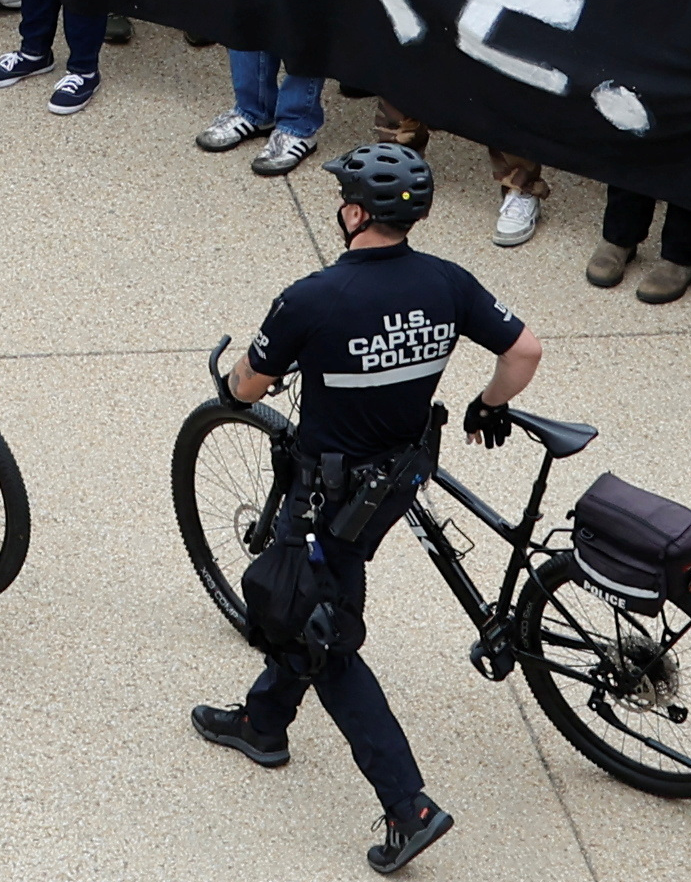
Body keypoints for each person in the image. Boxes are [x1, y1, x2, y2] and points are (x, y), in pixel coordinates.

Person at [189, 138, 525, 872]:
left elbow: (247, 386)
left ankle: (409, 806)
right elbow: (524, 350)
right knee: (314, 596)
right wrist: (487, 403)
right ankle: (264, 722)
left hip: (330, 493)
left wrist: (242, 377)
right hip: (400, 476)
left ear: (354, 212)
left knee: (321, 632)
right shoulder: (450, 283)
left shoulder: (312, 297)